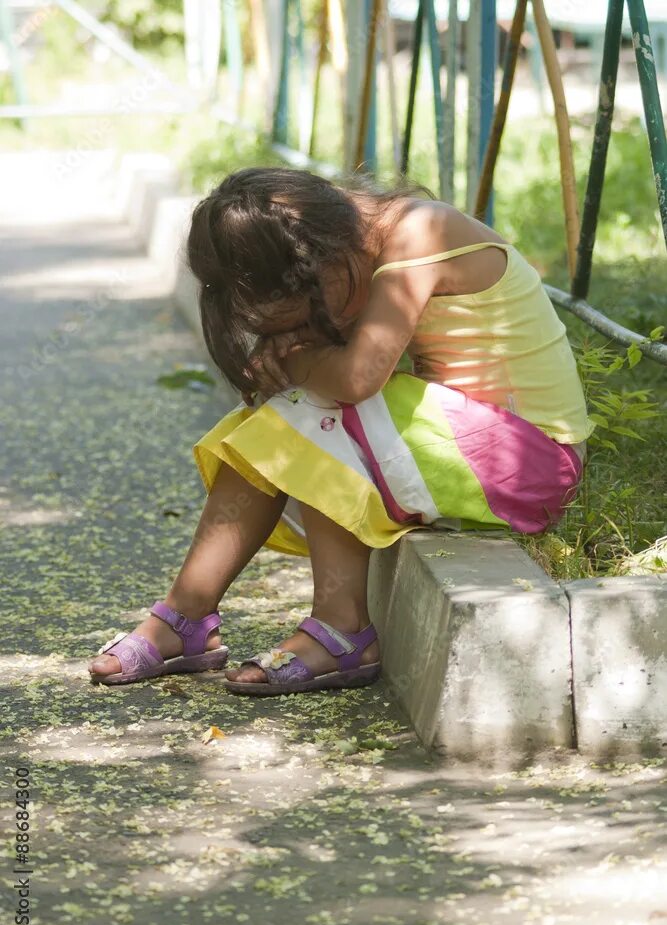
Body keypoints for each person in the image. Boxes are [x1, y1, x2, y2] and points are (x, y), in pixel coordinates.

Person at [88, 166, 593, 695]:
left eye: (308, 305)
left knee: (313, 411)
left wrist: (296, 361)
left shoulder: (418, 235)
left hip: (532, 464)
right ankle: (183, 618)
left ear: (326, 254)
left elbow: (358, 377)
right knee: (279, 421)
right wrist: (302, 361)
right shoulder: (355, 249)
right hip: (465, 446)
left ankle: (342, 626)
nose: (309, 323)